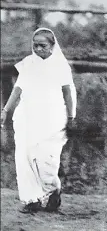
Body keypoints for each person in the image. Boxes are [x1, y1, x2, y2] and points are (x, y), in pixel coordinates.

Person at [0, 28, 77, 214]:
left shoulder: (60, 65)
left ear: (52, 46)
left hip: (52, 119)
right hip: (27, 117)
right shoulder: (28, 63)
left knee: (47, 159)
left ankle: (53, 191)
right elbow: (17, 89)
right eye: (35, 45)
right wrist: (5, 110)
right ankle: (31, 200)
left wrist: (71, 116)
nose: (38, 49)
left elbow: (68, 92)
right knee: (24, 158)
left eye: (43, 45)